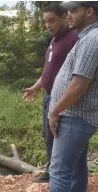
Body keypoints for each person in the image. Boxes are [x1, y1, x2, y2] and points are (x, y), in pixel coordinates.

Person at [22, 2, 78, 183]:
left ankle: (59, 175)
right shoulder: (55, 39)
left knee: (58, 135)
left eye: (52, 21)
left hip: (62, 97)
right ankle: (52, 169)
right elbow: (49, 71)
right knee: (48, 134)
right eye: (46, 21)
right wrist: (36, 87)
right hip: (49, 95)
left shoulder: (73, 38)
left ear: (64, 17)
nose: (48, 25)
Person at [47, 1, 98, 191]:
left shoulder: (92, 39)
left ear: (90, 11)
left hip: (74, 117)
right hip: (77, 117)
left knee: (59, 171)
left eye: (74, 11)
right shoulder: (87, 37)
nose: (69, 15)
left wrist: (55, 112)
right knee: (76, 168)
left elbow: (78, 86)